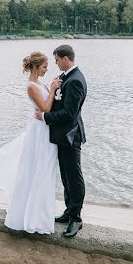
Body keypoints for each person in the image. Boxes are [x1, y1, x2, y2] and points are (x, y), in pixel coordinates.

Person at [0, 51, 60, 234]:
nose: (46, 69)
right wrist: (52, 90)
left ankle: (40, 210)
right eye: (44, 66)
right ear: (35, 67)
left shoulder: (39, 83)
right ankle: (32, 214)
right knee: (37, 167)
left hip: (43, 127)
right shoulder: (32, 86)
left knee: (43, 167)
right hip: (39, 129)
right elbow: (45, 108)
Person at [35, 44, 87, 238]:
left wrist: (45, 117)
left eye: (56, 60)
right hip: (63, 136)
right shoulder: (66, 78)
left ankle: (76, 219)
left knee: (74, 177)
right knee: (66, 176)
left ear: (65, 59)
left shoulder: (75, 81)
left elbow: (69, 113)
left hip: (71, 136)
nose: (55, 64)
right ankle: (68, 211)